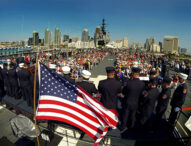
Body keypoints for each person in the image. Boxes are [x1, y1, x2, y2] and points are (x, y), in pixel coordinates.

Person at [119, 67, 145, 131]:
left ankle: (122, 126)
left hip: (127, 101)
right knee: (133, 115)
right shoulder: (142, 84)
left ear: (133, 74)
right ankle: (132, 126)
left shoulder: (128, 83)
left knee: (125, 114)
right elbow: (142, 94)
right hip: (136, 102)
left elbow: (123, 92)